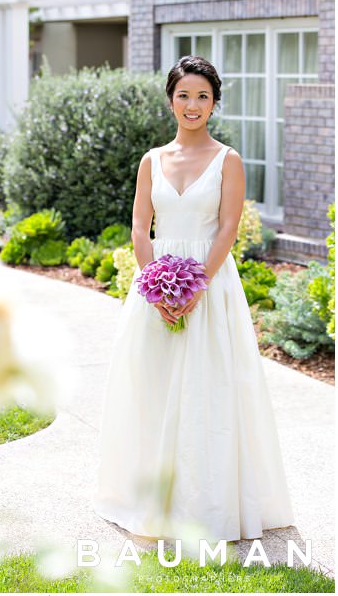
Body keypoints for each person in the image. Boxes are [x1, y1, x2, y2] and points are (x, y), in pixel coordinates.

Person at [94, 55, 294, 542]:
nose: (192, 104)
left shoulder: (229, 160)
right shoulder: (151, 160)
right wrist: (157, 285)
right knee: (154, 386)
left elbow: (227, 227)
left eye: (202, 96)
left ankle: (205, 502)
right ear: (170, 100)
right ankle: (151, 495)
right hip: (155, 286)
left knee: (209, 390)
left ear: (214, 103)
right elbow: (141, 228)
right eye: (184, 95)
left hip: (211, 284)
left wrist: (195, 285)